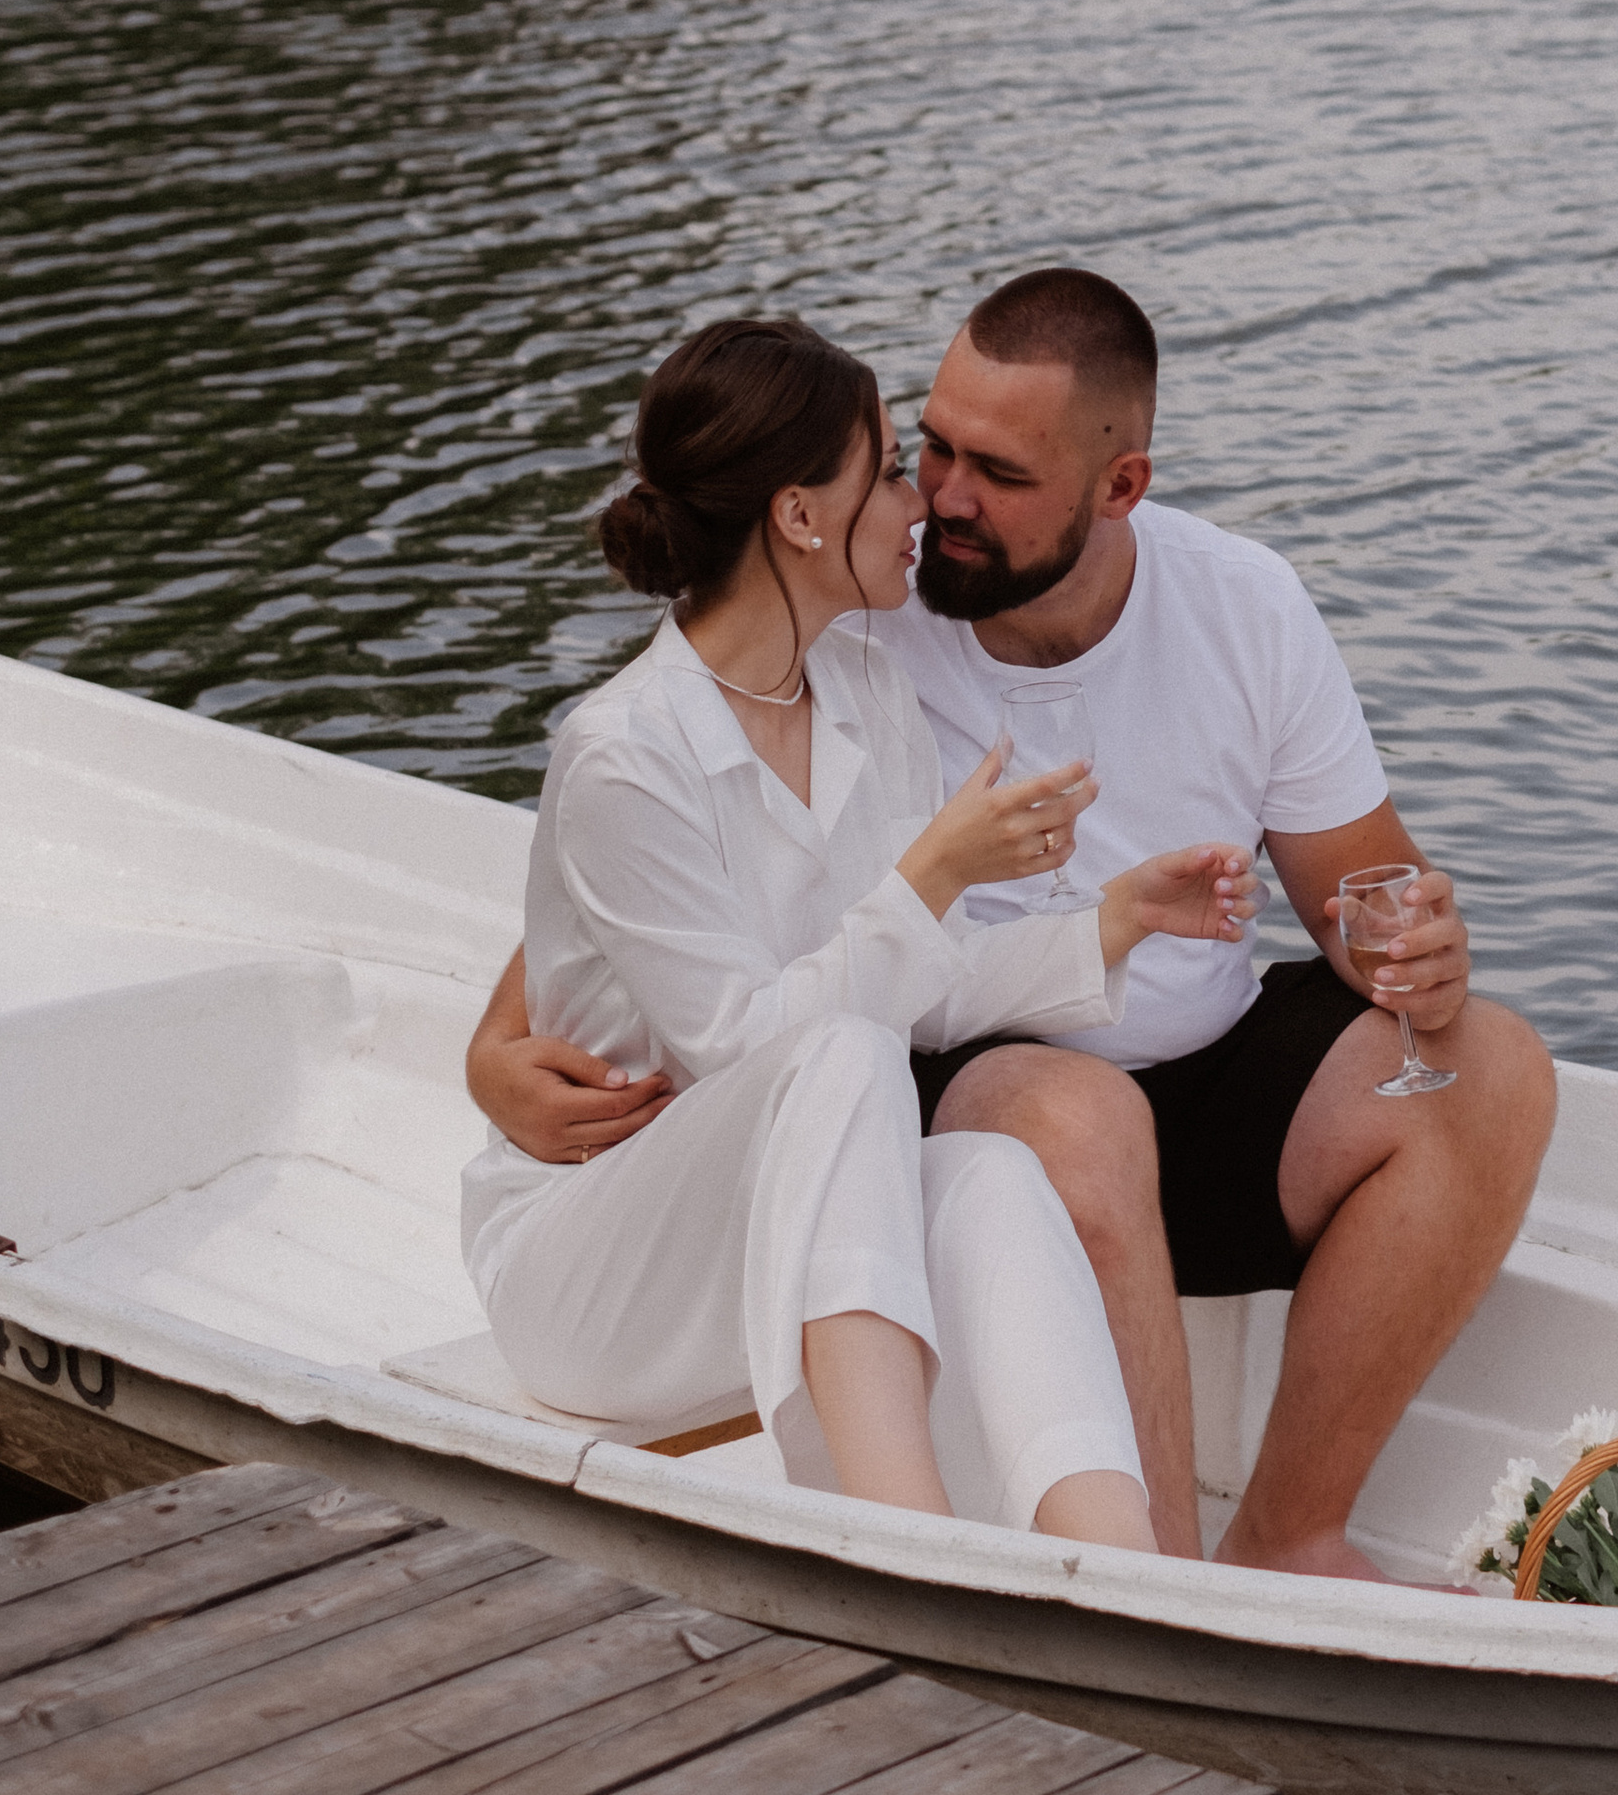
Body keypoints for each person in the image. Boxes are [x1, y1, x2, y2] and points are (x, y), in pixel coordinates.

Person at [472, 272, 1557, 1579]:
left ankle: (1270, 1545)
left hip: (1143, 1071)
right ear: (809, 513)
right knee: (1014, 1103)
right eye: (924, 452)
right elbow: (651, 914)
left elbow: (1365, 897)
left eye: (995, 471)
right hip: (916, 1098)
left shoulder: (1210, 608)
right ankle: (1130, 1587)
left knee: (1487, 1066)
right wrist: (490, 1052)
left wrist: (1398, 950)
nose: (939, 499)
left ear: (1120, 486)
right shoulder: (863, 622)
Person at [462, 312, 1254, 1547]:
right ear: (797, 516)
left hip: (770, 1242)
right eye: (886, 470)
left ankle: (1130, 1570)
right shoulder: (625, 755)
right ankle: (905, 1541)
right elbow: (749, 1051)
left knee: (992, 1175)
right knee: (842, 1057)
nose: (917, 502)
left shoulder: (868, 689)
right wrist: (932, 873)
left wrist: (1108, 925)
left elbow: (917, 991)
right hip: (595, 1268)